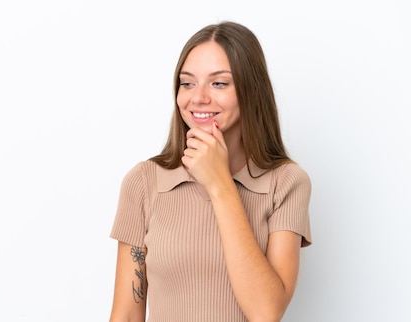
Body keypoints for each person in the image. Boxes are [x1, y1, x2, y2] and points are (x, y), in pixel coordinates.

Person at [108, 21, 312, 322]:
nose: (198, 98)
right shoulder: (143, 182)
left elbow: (266, 312)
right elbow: (125, 314)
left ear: (250, 90)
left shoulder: (286, 183)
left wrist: (219, 185)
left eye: (219, 83)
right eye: (187, 83)